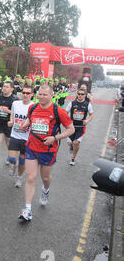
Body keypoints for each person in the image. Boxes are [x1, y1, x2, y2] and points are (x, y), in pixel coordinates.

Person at [18, 85, 75, 221]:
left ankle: (45, 190)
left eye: (45, 94)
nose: (41, 97)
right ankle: (27, 210)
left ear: (51, 95)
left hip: (48, 150)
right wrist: (24, 125)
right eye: (40, 94)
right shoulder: (32, 108)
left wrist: (54, 138)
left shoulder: (58, 111)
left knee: (45, 178)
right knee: (31, 177)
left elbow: (71, 129)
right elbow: (30, 119)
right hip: (32, 147)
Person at [7, 85, 33, 188]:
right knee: (11, 158)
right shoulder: (15, 103)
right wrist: (11, 121)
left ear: (31, 94)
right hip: (15, 135)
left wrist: (27, 125)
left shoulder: (34, 106)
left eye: (28, 93)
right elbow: (12, 114)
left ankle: (19, 177)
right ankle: (14, 163)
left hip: (27, 138)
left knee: (23, 160)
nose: (25, 95)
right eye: (24, 92)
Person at [0, 81, 18, 172]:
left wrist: (8, 111)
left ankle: (9, 157)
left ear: (11, 89)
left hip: (8, 124)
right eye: (4, 87)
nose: (4, 88)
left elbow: (17, 113)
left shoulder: (15, 99)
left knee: (8, 144)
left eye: (7, 87)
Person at [65, 89, 94, 166]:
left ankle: (73, 158)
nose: (80, 95)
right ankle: (71, 146)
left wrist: (87, 120)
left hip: (81, 127)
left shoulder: (88, 105)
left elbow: (91, 114)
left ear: (85, 95)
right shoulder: (72, 103)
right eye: (79, 94)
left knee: (76, 142)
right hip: (71, 126)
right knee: (70, 143)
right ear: (77, 94)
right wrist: (67, 120)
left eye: (82, 94)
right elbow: (65, 112)